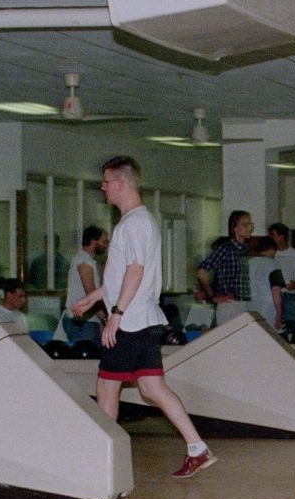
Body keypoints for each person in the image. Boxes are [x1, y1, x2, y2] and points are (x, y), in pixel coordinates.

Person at [73, 155, 215, 480]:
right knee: (151, 388)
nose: (103, 188)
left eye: (106, 183)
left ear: (120, 184)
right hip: (145, 318)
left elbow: (135, 272)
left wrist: (115, 315)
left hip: (131, 321)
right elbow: (127, 275)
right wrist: (95, 297)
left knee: (107, 387)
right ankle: (197, 448)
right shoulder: (139, 221)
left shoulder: (134, 223)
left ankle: (105, 459)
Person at [63, 225, 109, 345]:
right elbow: (91, 294)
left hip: (86, 321)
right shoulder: (84, 262)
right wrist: (104, 320)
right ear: (94, 242)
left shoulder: (87, 261)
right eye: (104, 241)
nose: (106, 245)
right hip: (82, 323)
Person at [195, 210, 253, 304]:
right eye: (245, 224)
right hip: (230, 303)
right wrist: (213, 296)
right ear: (235, 228)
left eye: (250, 224)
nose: (250, 228)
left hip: (244, 302)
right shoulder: (226, 249)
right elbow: (201, 271)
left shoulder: (243, 251)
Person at [267, 223, 295, 326]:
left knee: (291, 325)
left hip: (289, 296)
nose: (270, 238)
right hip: (271, 295)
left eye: (273, 235)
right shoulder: (270, 254)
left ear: (281, 236)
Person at [246, 236, 286, 332]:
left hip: (250, 307)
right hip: (269, 308)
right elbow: (276, 291)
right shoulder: (274, 264)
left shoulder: (248, 263)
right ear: (272, 249)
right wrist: (279, 315)